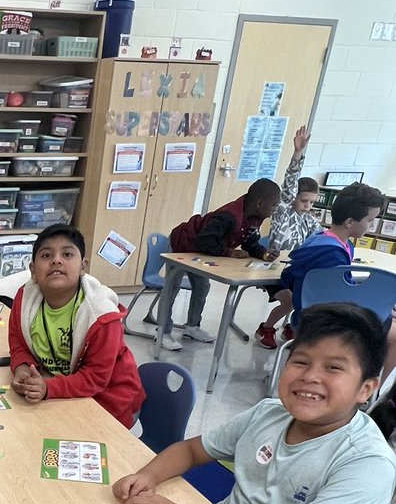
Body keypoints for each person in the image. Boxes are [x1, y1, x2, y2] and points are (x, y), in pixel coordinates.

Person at [113, 303, 396, 504]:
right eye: (300, 361)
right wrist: (147, 475)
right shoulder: (268, 414)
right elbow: (191, 450)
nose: (310, 376)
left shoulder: (368, 463)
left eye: (333, 367)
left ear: (366, 389)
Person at [8, 223, 145, 428]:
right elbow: (18, 342)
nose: (56, 260)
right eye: (46, 256)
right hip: (60, 392)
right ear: (33, 270)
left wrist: (49, 388)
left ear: (83, 267)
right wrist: (22, 368)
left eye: (67, 255)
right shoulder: (24, 299)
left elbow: (95, 379)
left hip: (110, 402)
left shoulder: (102, 316)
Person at [278, 181, 396, 383]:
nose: (371, 226)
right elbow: (342, 301)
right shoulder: (333, 253)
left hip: (307, 318)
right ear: (350, 222)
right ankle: (373, 392)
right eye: (370, 220)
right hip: (332, 323)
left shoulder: (319, 240)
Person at [160, 178, 281, 351]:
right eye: (274, 205)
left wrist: (263, 253)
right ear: (260, 203)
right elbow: (204, 240)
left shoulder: (255, 217)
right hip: (182, 245)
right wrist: (229, 252)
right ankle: (163, 332)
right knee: (172, 287)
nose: (273, 211)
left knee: (202, 287)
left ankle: (192, 327)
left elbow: (250, 242)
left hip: (201, 253)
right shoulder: (228, 216)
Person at [255, 125, 322, 349]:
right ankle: (266, 328)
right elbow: (290, 181)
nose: (308, 206)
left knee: (307, 298)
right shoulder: (283, 211)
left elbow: (322, 239)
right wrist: (298, 154)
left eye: (312, 202)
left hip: (295, 272)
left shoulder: (310, 221)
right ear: (293, 198)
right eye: (304, 201)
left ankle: (292, 326)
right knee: (291, 300)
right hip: (273, 270)